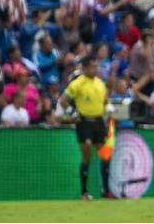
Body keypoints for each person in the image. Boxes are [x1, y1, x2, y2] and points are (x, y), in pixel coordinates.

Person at [58, 55, 115, 200]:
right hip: (84, 122)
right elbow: (63, 100)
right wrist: (72, 111)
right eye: (92, 67)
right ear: (84, 68)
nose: (95, 69)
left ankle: (106, 191)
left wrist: (108, 107)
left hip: (99, 121)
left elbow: (105, 100)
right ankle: (84, 192)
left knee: (105, 156)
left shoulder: (100, 83)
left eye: (96, 67)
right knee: (87, 155)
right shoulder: (77, 84)